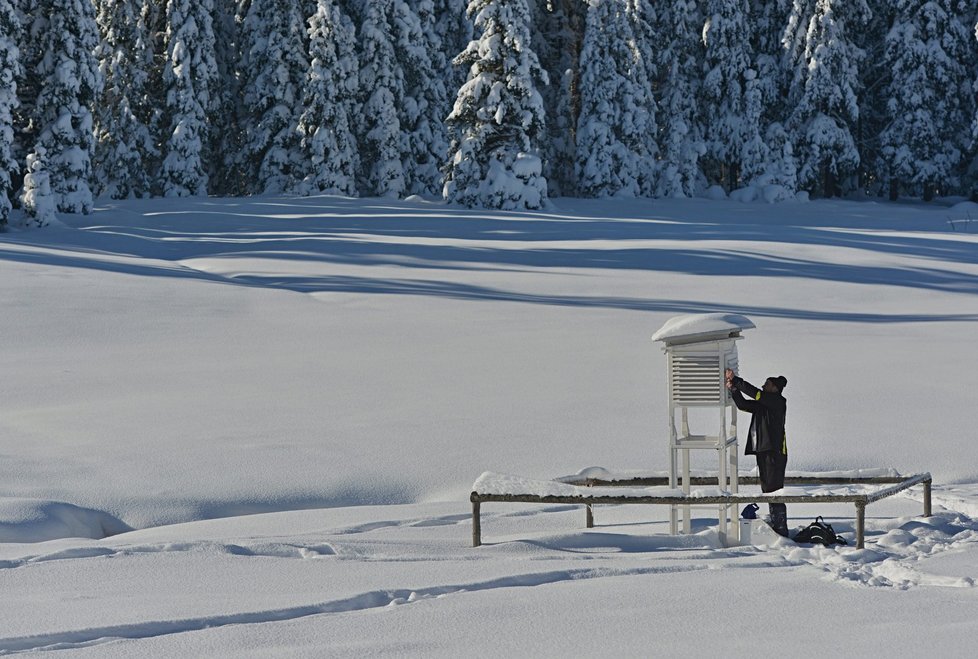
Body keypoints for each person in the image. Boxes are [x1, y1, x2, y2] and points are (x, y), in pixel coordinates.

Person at [725, 368, 789, 536]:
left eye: (767, 384)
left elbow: (756, 394)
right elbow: (743, 405)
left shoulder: (778, 402)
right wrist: (733, 390)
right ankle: (776, 524)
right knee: (767, 489)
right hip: (763, 451)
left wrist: (736, 380)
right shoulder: (764, 404)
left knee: (775, 490)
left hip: (775, 453)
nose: (763, 386)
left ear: (775, 388)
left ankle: (781, 528)